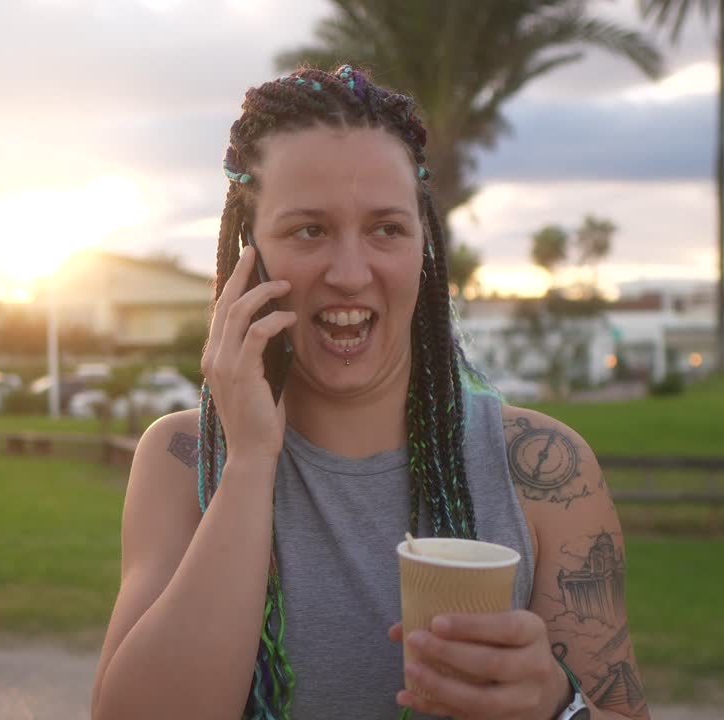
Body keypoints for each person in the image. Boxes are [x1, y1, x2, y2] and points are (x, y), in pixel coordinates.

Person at [90, 65, 650, 720]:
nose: (351, 274)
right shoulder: (184, 459)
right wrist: (246, 465)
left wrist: (558, 706)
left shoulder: (541, 470)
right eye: (309, 230)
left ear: (424, 247)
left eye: (386, 228)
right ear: (250, 252)